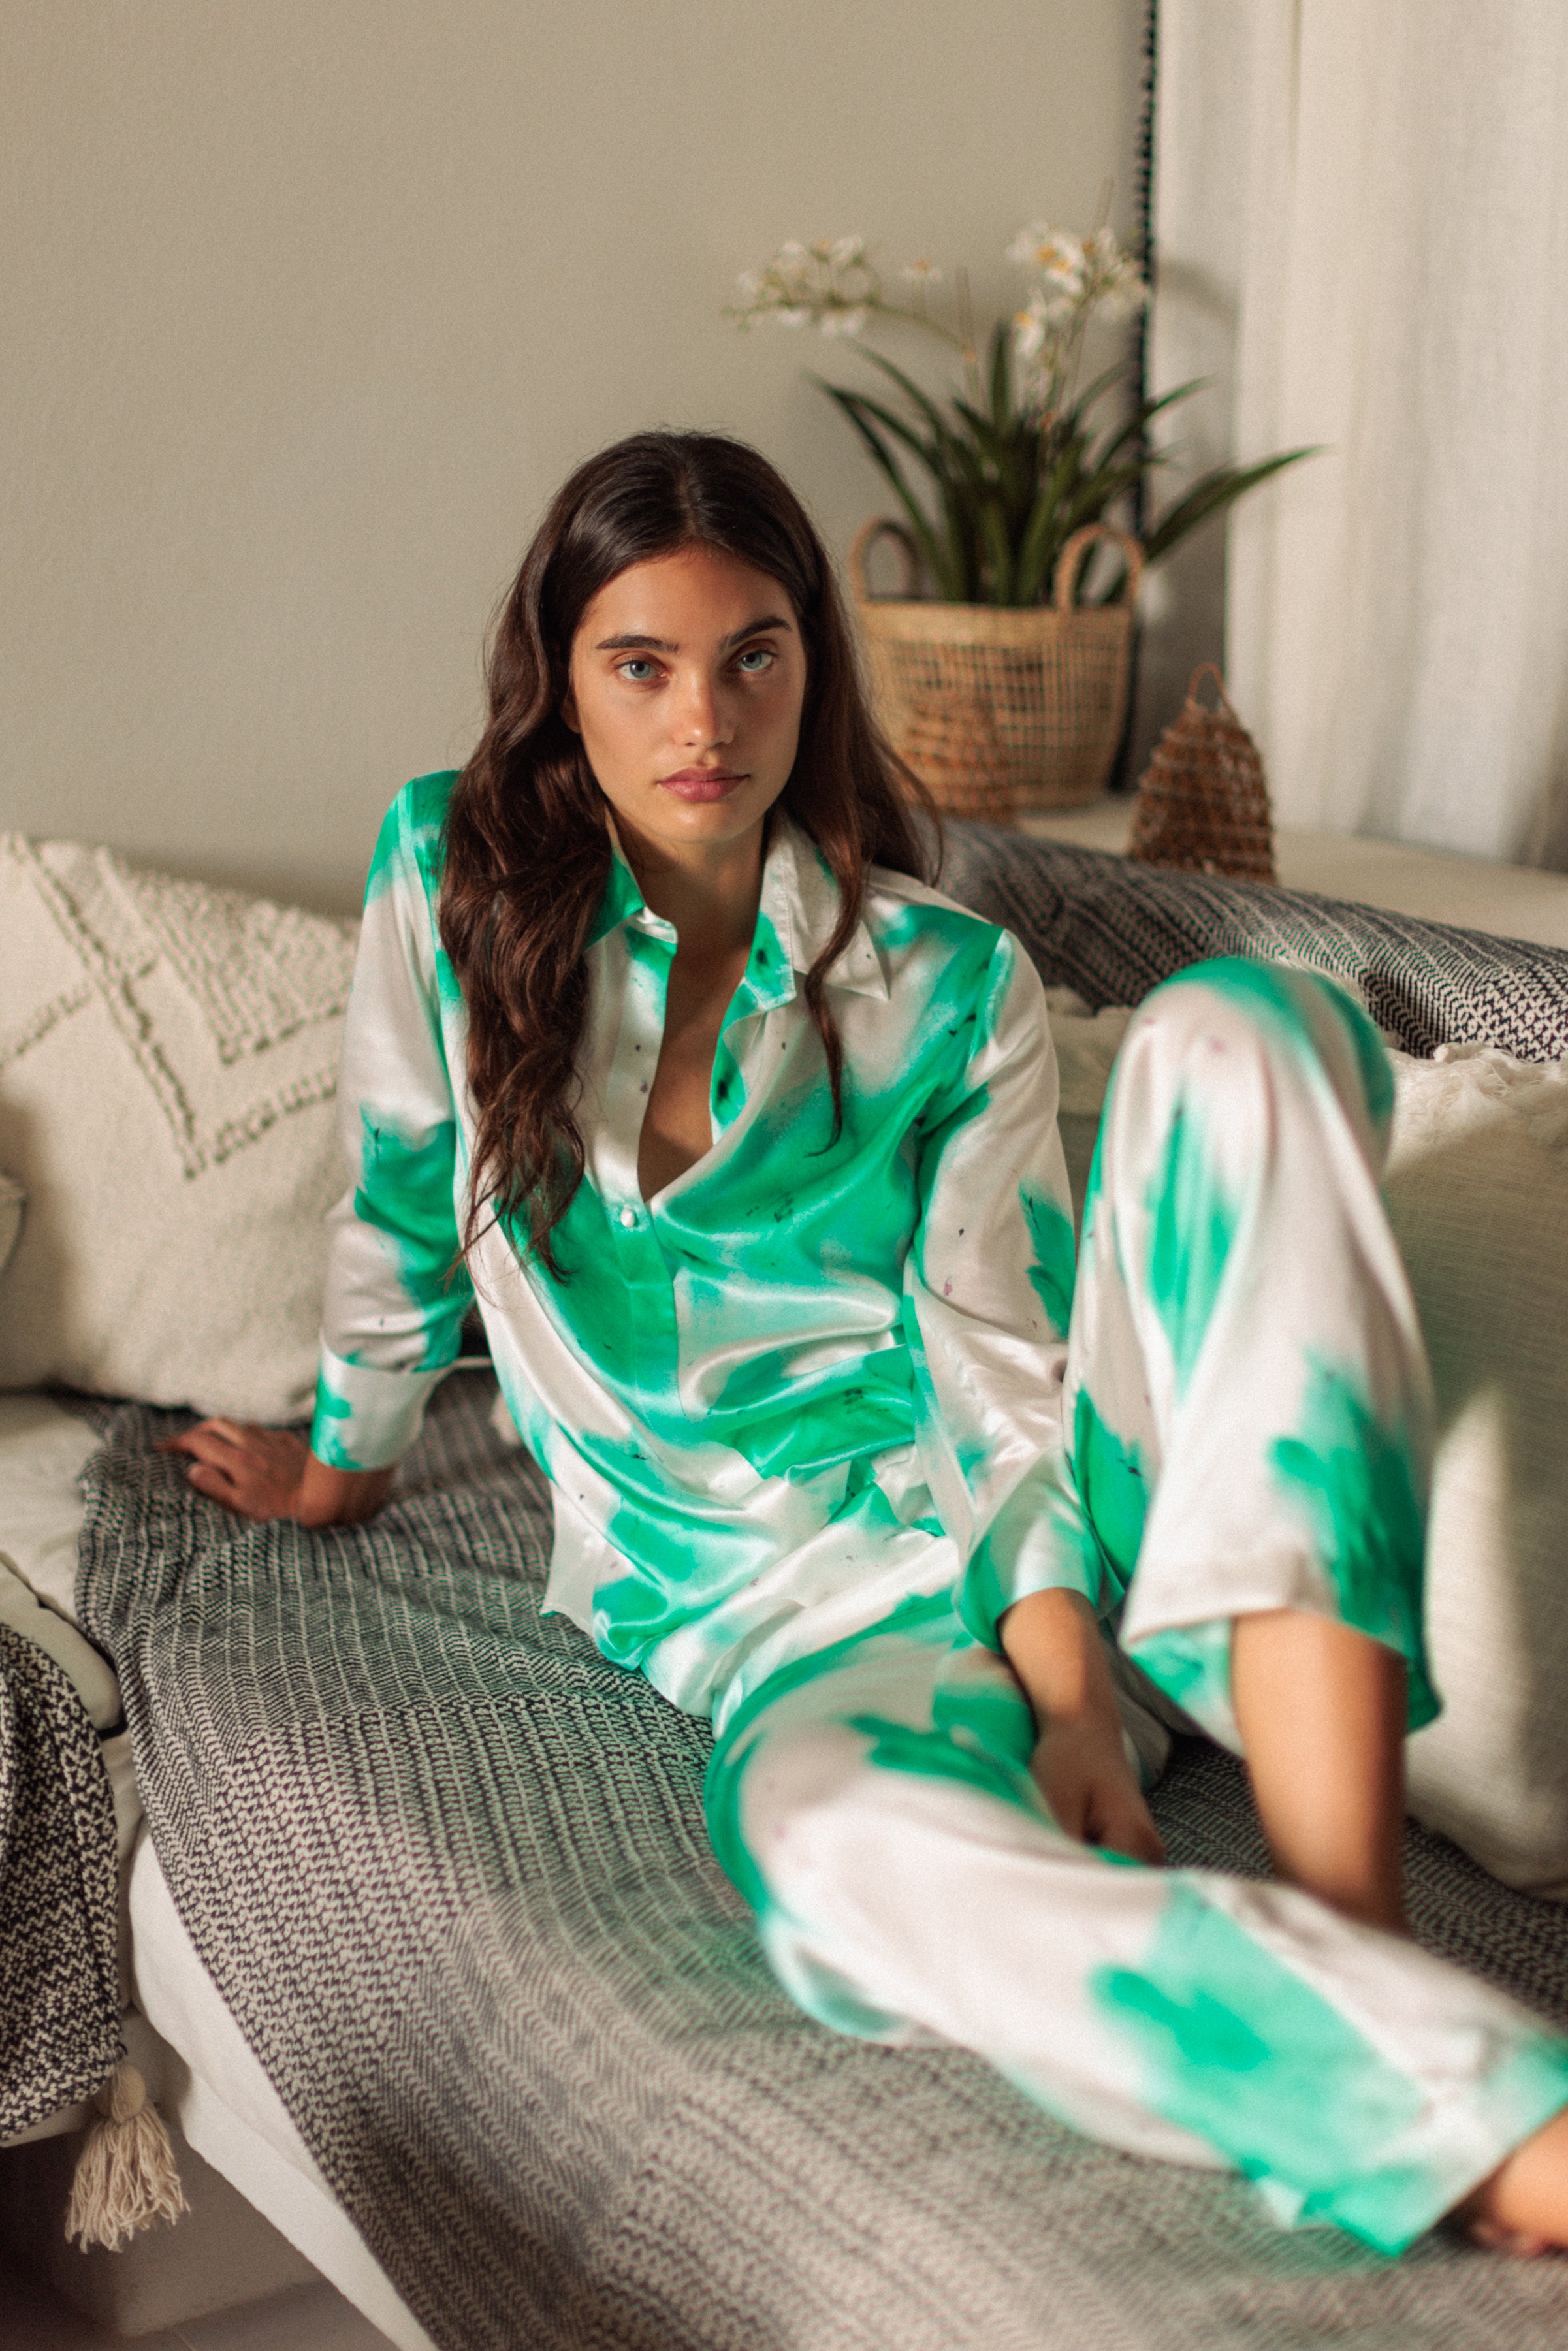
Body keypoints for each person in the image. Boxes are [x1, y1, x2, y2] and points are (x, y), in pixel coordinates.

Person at [170, 428, 1568, 2256]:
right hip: (803, 1625)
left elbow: (995, 1353)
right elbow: (404, 1190)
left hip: (1105, 1541)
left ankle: (1344, 1921)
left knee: (1249, 1027)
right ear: (558, 685)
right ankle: (1450, 2101)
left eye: (754, 653)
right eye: (642, 664)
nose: (707, 718)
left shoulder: (942, 980)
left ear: (812, 667)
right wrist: (345, 1460)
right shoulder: (447, 882)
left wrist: (1068, 1686)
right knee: (838, 1867)